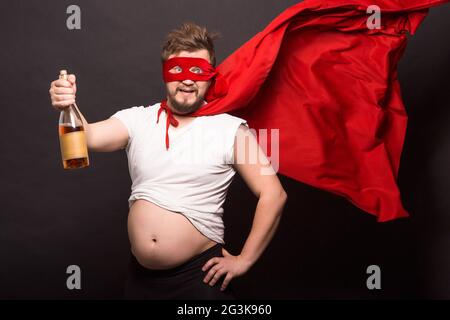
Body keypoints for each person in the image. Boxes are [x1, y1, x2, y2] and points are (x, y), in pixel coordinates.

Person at [49, 22, 287, 300]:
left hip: (199, 279)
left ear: (211, 77)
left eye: (198, 71)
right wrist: (69, 105)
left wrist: (244, 260)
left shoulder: (232, 131)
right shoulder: (138, 119)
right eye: (178, 70)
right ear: (165, 75)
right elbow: (87, 136)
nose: (188, 80)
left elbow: (274, 194)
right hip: (141, 281)